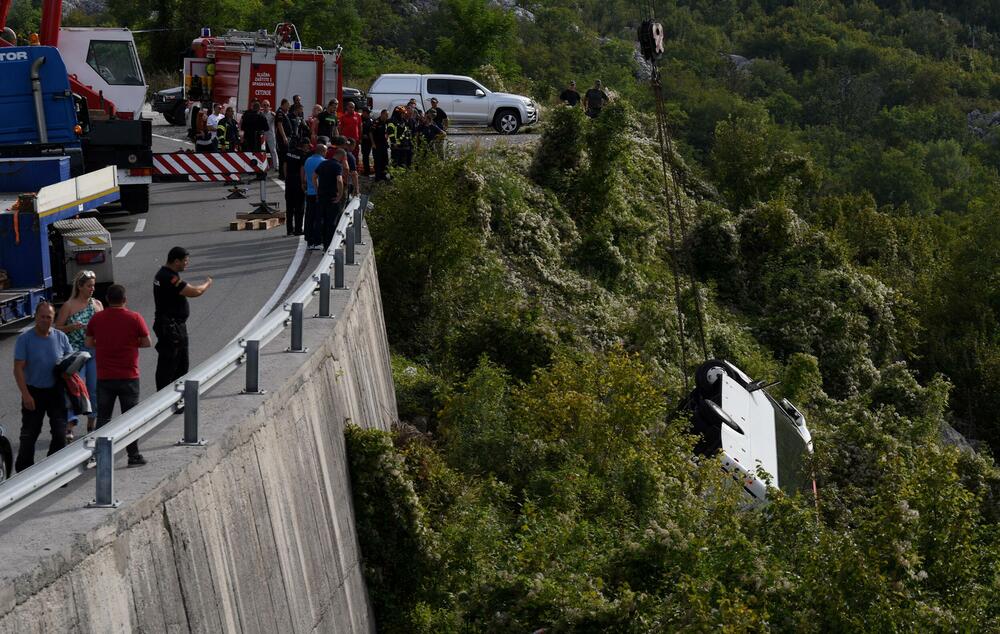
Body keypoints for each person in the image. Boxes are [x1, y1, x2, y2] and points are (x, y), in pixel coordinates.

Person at [85, 284, 151, 467]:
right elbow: (147, 342)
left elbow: (89, 342)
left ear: (107, 299)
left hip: (105, 376)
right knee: (130, 418)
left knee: (104, 418)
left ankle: (100, 456)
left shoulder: (97, 319)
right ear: (125, 299)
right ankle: (133, 455)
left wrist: (105, 343)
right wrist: (130, 343)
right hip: (129, 375)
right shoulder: (135, 318)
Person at [13, 302, 73, 472]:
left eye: (49, 317)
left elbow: (70, 363)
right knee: (29, 434)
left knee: (60, 433)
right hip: (34, 391)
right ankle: (24, 472)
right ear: (36, 317)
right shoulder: (25, 339)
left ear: (53, 319)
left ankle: (53, 470)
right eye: (42, 316)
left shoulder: (61, 337)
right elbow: (18, 368)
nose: (45, 320)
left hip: (56, 392)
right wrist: (25, 395)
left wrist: (69, 372)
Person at [153, 247, 212, 391]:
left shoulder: (163, 274)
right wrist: (207, 283)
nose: (187, 264)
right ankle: (168, 398)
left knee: (174, 363)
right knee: (174, 364)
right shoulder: (170, 277)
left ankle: (174, 397)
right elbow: (195, 292)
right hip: (172, 328)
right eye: (185, 261)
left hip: (168, 325)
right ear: (176, 261)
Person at [54, 270, 103, 440]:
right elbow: (57, 328)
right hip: (75, 353)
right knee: (74, 388)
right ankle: (70, 426)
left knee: (94, 389)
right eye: (89, 286)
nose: (92, 289)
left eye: (93, 286)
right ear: (80, 286)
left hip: (94, 352)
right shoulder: (69, 305)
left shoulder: (97, 304)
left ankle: (91, 424)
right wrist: (71, 327)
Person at [314, 148, 344, 250]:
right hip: (332, 197)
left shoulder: (323, 163)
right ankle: (329, 247)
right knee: (332, 222)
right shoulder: (337, 166)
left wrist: (317, 189)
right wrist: (340, 194)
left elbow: (314, 176)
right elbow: (339, 180)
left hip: (322, 195)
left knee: (323, 220)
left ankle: (322, 244)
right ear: (341, 157)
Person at [302, 143, 327, 251]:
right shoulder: (323, 162)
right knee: (319, 218)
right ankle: (317, 241)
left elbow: (305, 174)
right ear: (322, 151)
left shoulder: (308, 160)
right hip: (318, 193)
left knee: (309, 217)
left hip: (309, 192)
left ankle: (309, 241)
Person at [284, 136, 310, 237]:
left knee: (289, 207)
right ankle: (298, 229)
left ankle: (289, 230)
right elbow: (302, 170)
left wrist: (287, 179)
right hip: (298, 182)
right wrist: (303, 183)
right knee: (299, 207)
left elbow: (285, 166)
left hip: (289, 180)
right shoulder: (303, 156)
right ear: (305, 146)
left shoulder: (289, 153)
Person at [261, 100, 280, 173]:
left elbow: (279, 121)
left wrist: (276, 115)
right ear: (262, 106)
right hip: (263, 134)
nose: (266, 106)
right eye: (264, 105)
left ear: (269, 106)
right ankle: (265, 166)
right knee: (263, 151)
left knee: (273, 150)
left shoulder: (272, 114)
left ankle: (276, 166)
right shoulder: (261, 114)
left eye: (267, 105)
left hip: (271, 134)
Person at [275, 99, 292, 179]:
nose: (288, 107)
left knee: (285, 156)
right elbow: (279, 125)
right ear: (284, 104)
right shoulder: (280, 113)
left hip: (286, 137)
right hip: (282, 138)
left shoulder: (284, 113)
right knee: (283, 156)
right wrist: (284, 137)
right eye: (287, 105)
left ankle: (283, 174)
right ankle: (282, 174)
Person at [371, 109, 390, 181]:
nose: (387, 117)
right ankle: (377, 177)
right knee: (378, 161)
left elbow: (387, 131)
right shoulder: (376, 122)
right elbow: (371, 132)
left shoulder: (387, 122)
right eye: (386, 115)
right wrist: (373, 143)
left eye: (387, 115)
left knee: (385, 161)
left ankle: (383, 175)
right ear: (382, 114)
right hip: (377, 144)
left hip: (384, 144)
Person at [359, 106, 374, 176]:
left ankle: (367, 170)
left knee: (366, 155)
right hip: (363, 140)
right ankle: (366, 170)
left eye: (368, 113)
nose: (367, 114)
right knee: (364, 155)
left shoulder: (370, 120)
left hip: (369, 141)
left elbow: (372, 131)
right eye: (366, 113)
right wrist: (361, 137)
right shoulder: (360, 119)